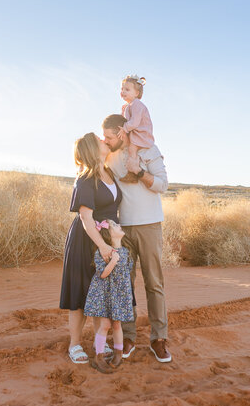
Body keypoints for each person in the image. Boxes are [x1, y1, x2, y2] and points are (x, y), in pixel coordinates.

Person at [103, 114, 172, 363]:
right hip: (123, 229)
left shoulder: (148, 149)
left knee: (154, 283)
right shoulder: (109, 155)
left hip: (150, 225)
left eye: (110, 136)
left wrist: (139, 171)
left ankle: (158, 339)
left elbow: (163, 184)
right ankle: (129, 336)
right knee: (126, 286)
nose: (106, 141)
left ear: (122, 132)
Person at [59, 132, 122, 365]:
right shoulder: (86, 179)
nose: (104, 140)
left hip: (106, 240)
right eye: (99, 140)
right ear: (91, 149)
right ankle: (74, 344)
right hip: (86, 241)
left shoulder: (110, 173)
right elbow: (86, 217)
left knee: (102, 292)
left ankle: (99, 341)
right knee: (80, 292)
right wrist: (103, 245)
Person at [84, 219, 134, 374]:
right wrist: (113, 261)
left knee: (117, 325)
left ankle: (118, 354)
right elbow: (103, 274)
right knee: (105, 325)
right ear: (109, 234)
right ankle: (98, 357)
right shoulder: (102, 252)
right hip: (104, 294)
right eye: (115, 226)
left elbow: (127, 272)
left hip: (118, 294)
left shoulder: (126, 251)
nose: (120, 226)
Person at [118, 75, 155, 183]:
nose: (123, 91)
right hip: (135, 132)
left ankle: (132, 173)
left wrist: (124, 128)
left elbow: (134, 122)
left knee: (132, 150)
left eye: (127, 89)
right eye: (122, 89)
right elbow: (125, 119)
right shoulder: (128, 105)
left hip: (141, 133)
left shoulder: (137, 104)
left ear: (136, 93)